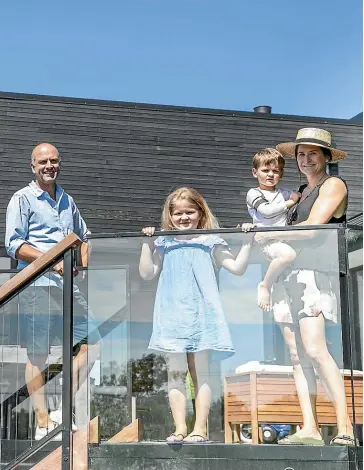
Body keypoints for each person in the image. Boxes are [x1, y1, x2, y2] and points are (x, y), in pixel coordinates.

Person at [254, 128, 354, 446]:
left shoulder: (333, 184)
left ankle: (346, 429)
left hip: (315, 273)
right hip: (289, 278)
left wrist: (269, 237)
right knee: (297, 355)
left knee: (315, 349)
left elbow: (312, 230)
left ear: (326, 157)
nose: (306, 159)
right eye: (300, 153)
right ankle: (309, 427)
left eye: (313, 153)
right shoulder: (298, 192)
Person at [139, 187, 252, 443]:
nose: (184, 217)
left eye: (190, 212)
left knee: (201, 373)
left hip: (202, 317)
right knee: (176, 375)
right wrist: (146, 244)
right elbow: (147, 272)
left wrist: (247, 241)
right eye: (178, 213)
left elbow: (236, 267)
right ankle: (180, 427)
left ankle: (199, 428)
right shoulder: (164, 242)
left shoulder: (210, 240)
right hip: (172, 316)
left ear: (201, 213)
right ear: (170, 216)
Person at [5, 143, 100, 440]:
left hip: (68, 286)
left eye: (54, 160)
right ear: (32, 166)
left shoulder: (67, 200)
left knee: (92, 344)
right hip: (38, 286)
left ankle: (63, 408)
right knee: (38, 354)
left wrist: (82, 263)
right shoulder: (22, 199)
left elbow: (84, 236)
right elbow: (15, 245)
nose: (49, 165)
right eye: (43, 161)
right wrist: (52, 262)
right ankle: (43, 421)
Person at [245, 148, 301, 311]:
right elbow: (267, 212)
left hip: (283, 239)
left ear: (281, 174)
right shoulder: (253, 193)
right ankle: (264, 285)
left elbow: (301, 196)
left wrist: (297, 195)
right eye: (265, 170)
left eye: (275, 171)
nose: (270, 174)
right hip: (265, 241)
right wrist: (291, 202)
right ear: (255, 172)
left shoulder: (284, 192)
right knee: (288, 255)